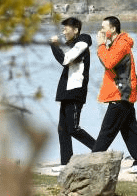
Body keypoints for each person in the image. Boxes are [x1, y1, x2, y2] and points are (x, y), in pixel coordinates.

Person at [91, 15, 137, 174]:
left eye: (104, 27)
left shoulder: (121, 45)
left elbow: (109, 63)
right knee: (130, 131)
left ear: (113, 29)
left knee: (106, 132)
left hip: (120, 94)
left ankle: (92, 164)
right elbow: (128, 69)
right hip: (124, 94)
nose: (101, 30)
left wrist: (101, 45)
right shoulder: (116, 44)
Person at [49, 16, 97, 168]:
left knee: (74, 128)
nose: (63, 31)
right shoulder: (74, 45)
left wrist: (54, 45)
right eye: (62, 28)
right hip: (66, 92)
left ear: (75, 30)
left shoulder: (82, 43)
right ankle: (66, 163)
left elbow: (65, 59)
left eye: (66, 28)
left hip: (75, 91)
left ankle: (99, 149)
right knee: (62, 129)